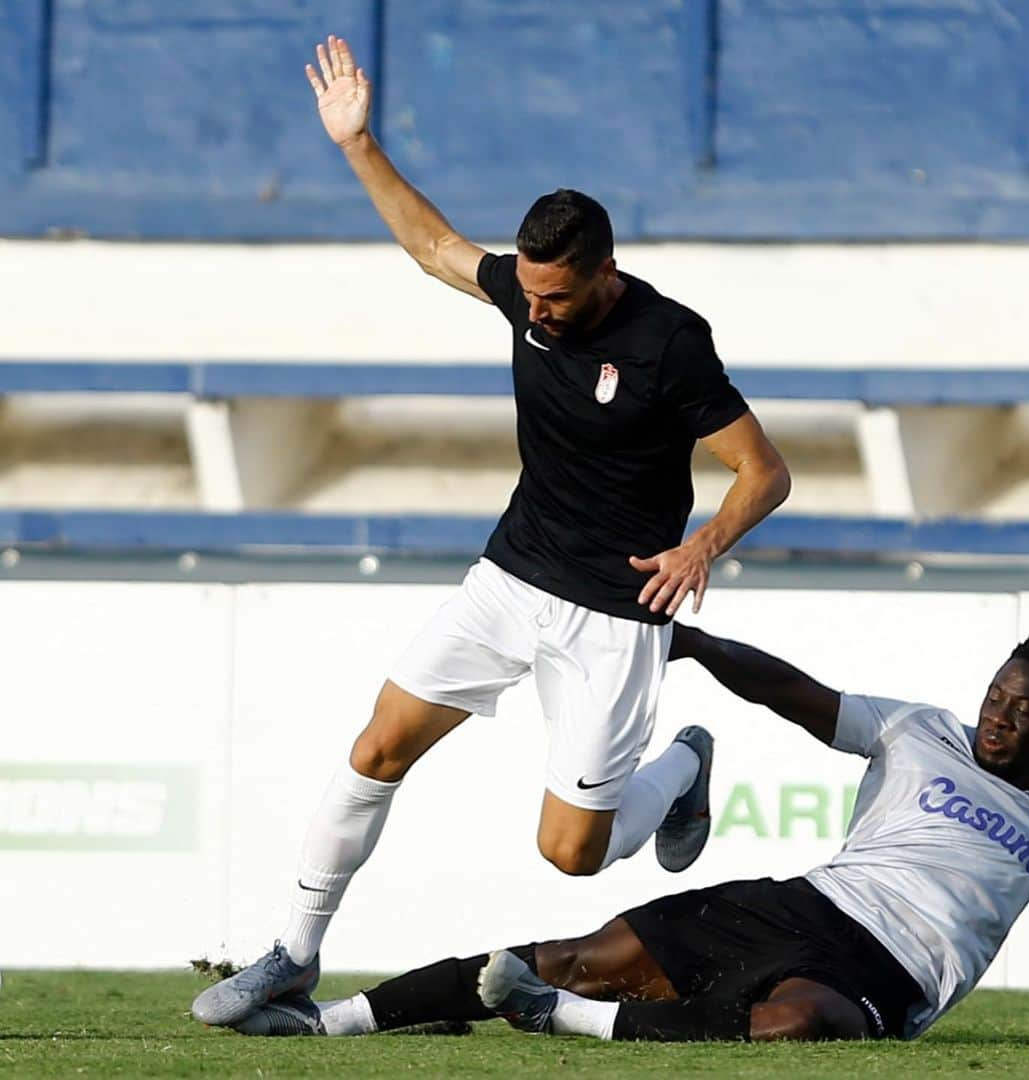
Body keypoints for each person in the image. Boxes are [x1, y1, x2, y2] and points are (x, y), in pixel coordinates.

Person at [191, 36, 790, 1028]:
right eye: (530, 291)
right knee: (378, 747)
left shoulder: (669, 345)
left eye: (557, 296)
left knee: (571, 854)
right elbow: (431, 245)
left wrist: (702, 547)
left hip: (616, 608)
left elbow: (763, 471)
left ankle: (683, 761)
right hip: (511, 576)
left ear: (606, 273)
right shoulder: (523, 287)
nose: (538, 311)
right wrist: (359, 143)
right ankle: (291, 957)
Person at [223, 623, 1029, 1042]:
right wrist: (700, 644)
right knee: (577, 954)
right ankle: (328, 1023)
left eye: (1022, 711)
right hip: (803, 907)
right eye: (996, 696)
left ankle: (559, 1020)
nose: (996, 718)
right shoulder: (919, 731)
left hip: (888, 971)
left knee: (800, 1024)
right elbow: (795, 691)